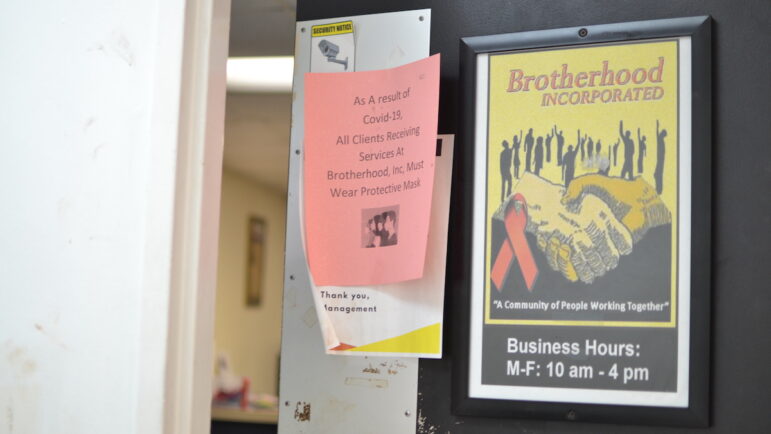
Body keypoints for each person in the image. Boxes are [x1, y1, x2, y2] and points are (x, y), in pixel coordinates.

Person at [654, 120, 668, 194]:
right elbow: (657, 133)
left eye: (662, 132)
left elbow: (657, 134)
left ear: (662, 134)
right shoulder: (660, 139)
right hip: (660, 159)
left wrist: (657, 126)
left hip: (660, 160)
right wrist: (657, 126)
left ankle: (659, 189)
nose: (660, 133)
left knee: (657, 174)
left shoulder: (661, 139)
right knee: (657, 174)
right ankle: (658, 189)